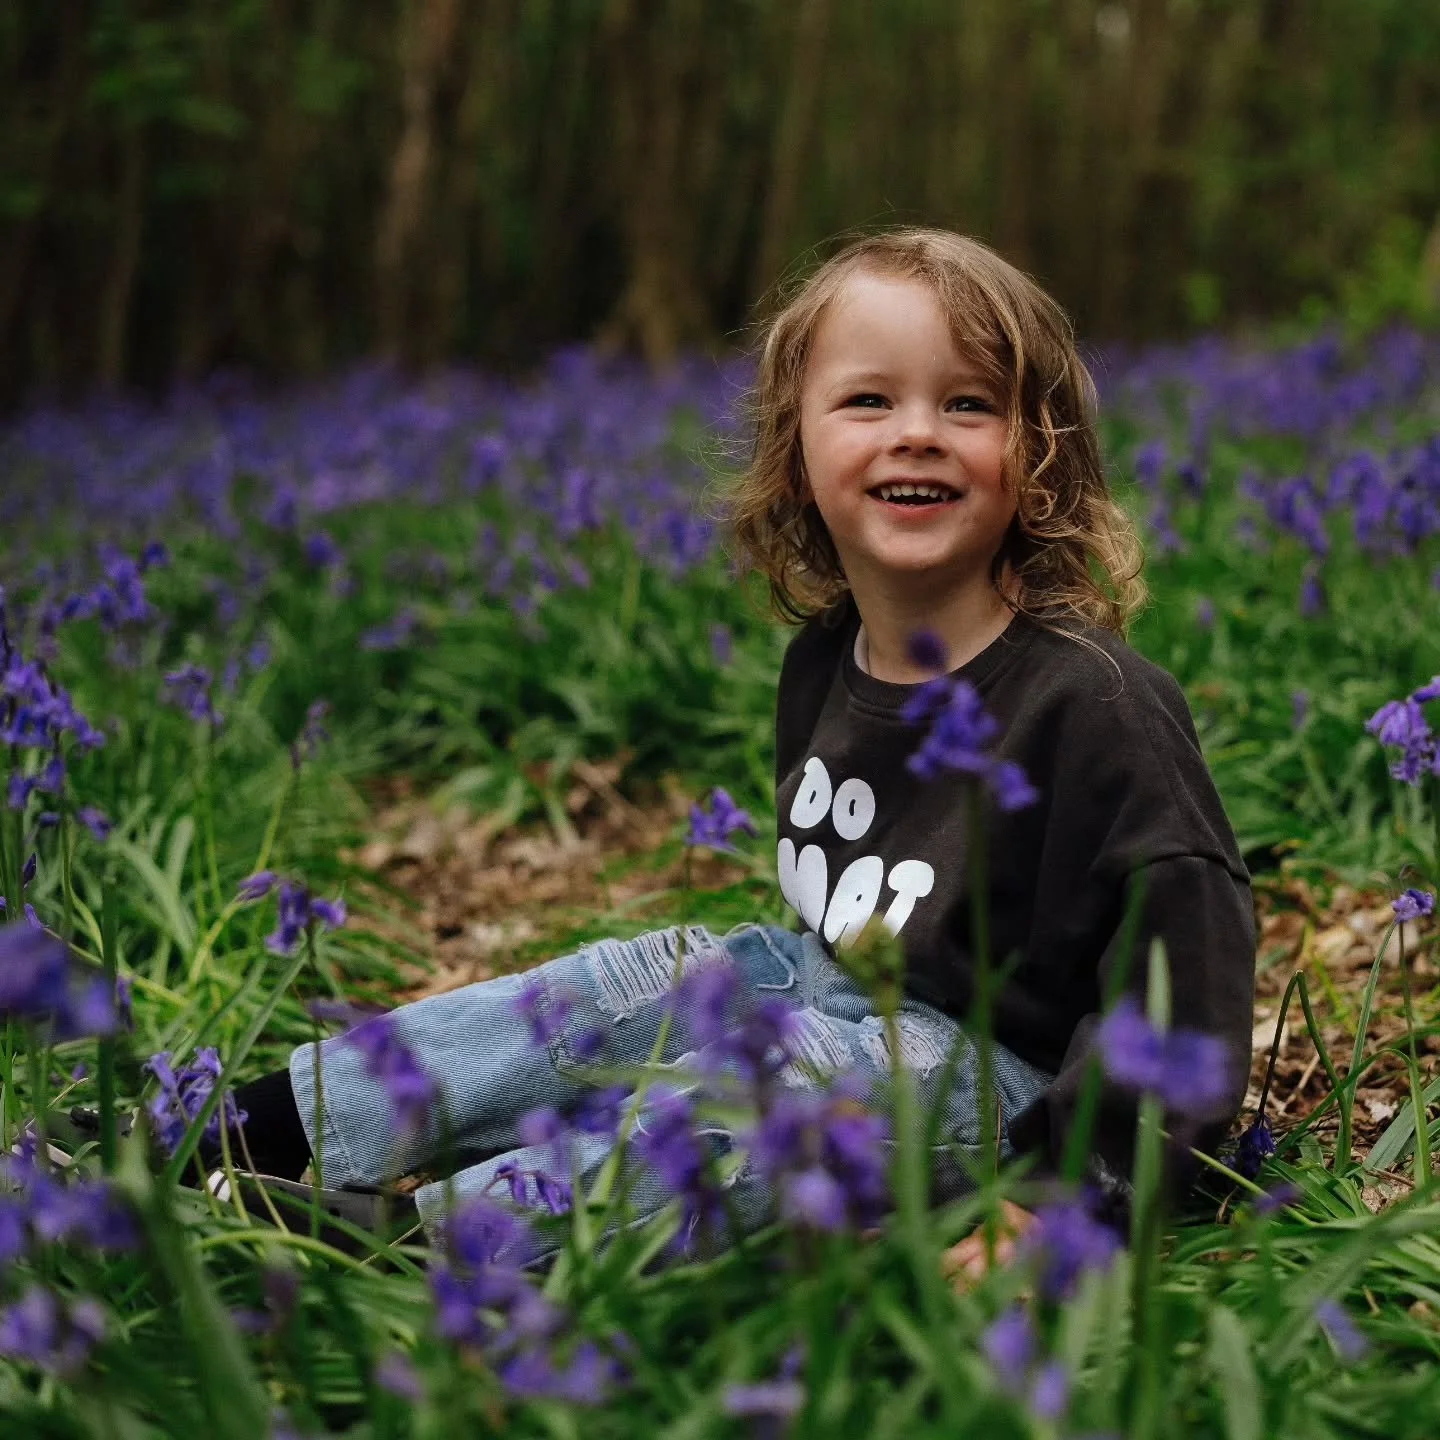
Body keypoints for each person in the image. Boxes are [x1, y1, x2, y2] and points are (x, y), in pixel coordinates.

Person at [98, 228, 1256, 1255]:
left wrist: (1073, 1195)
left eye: (969, 404)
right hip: (845, 992)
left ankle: (421, 1250)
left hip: (1012, 1084)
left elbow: (1189, 970)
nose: (919, 434)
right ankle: (251, 1122)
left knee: (783, 1091)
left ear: (1039, 452)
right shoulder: (825, 661)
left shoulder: (1096, 702)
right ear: (796, 450)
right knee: (617, 987)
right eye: (868, 402)